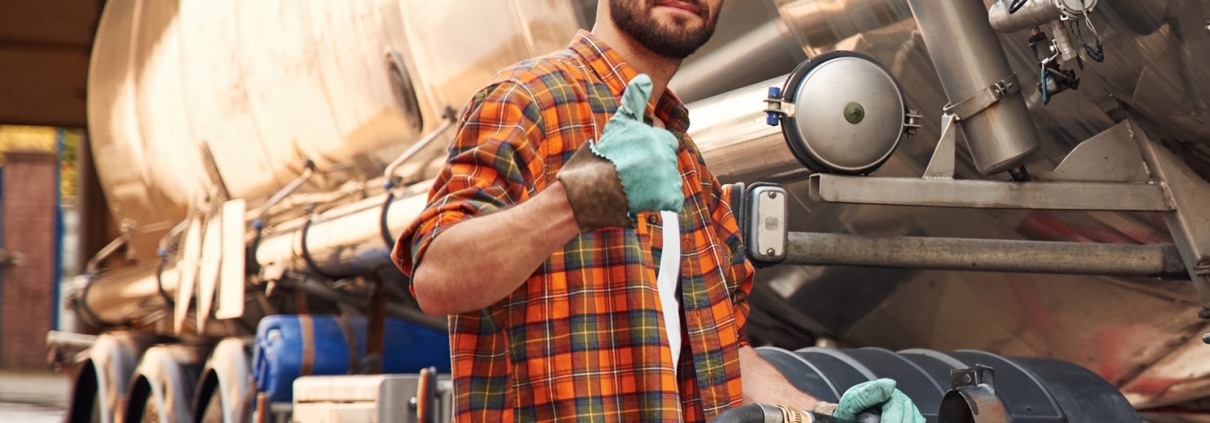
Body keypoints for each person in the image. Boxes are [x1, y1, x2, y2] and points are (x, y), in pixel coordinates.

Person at [393, 0, 925, 421]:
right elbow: (436, 278)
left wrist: (821, 414)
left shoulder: (689, 165)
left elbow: (719, 354)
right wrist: (576, 200)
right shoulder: (528, 100)